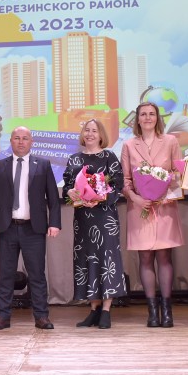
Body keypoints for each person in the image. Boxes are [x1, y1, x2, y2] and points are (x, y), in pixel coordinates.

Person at [0, 126, 61, 330]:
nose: (20, 142)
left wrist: (54, 222)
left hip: (33, 229)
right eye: (17, 138)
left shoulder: (42, 165)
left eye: (25, 138)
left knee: (37, 274)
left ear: (31, 142)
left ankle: (42, 316)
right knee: (6, 274)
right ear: (10, 141)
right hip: (6, 228)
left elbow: (53, 198)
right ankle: (3, 316)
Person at [121, 102, 184, 328]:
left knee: (165, 257)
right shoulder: (129, 145)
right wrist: (136, 198)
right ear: (137, 119)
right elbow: (125, 181)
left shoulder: (171, 141)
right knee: (145, 258)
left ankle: (167, 311)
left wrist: (165, 195)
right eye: (143, 114)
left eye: (152, 114)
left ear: (158, 118)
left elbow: (178, 172)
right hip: (140, 208)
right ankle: (152, 312)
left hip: (165, 207)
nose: (147, 117)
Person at [62, 119, 125, 329]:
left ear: (101, 135)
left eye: (94, 131)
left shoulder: (109, 156)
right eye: (86, 130)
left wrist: (100, 198)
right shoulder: (74, 159)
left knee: (107, 260)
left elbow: (118, 184)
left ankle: (106, 311)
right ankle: (94, 309)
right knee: (86, 260)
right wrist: (71, 192)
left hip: (105, 217)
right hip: (83, 219)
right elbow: (67, 187)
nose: (89, 134)